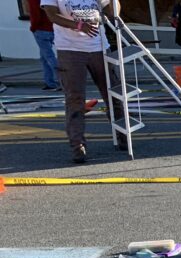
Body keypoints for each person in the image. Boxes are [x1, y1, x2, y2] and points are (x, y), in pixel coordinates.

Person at [41, 0, 127, 163]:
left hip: (99, 47)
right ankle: (78, 146)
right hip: (70, 50)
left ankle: (122, 135)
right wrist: (78, 25)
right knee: (75, 99)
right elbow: (52, 15)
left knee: (113, 93)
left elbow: (112, 12)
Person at [28, 0, 60, 90]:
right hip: (52, 28)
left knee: (49, 57)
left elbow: (35, 14)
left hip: (41, 29)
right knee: (44, 57)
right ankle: (49, 82)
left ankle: (62, 81)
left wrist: (33, 27)